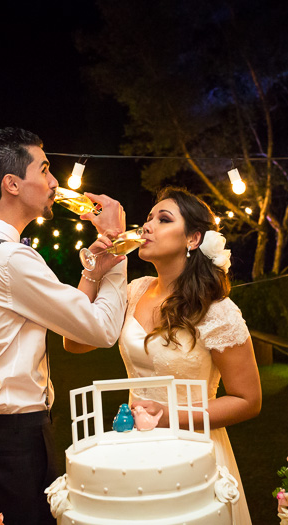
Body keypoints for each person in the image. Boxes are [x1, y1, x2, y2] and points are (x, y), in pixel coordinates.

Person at [0, 127, 128, 525]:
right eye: (46, 169)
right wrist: (119, 244)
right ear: (13, 184)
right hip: (19, 443)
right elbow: (100, 330)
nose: (55, 182)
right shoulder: (12, 260)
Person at [64, 187, 262, 525]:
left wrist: (169, 415)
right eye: (148, 218)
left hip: (195, 450)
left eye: (163, 219)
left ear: (193, 239)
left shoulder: (216, 310)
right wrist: (94, 272)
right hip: (135, 445)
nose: (147, 226)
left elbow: (248, 399)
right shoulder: (134, 290)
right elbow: (75, 341)